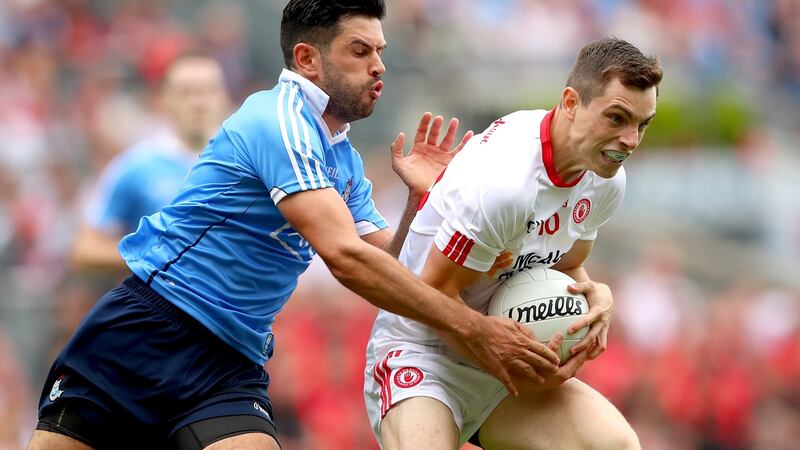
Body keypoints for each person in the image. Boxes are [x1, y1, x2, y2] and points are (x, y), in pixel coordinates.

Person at [27, 1, 562, 449]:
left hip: (230, 360)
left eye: (380, 52)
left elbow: (391, 264)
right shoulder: (276, 119)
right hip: (149, 329)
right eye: (360, 51)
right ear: (307, 58)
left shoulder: (342, 157)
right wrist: (472, 328)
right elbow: (346, 259)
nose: (379, 66)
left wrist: (420, 203)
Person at [364, 37, 663, 449]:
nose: (631, 140)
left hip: (500, 369)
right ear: (571, 102)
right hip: (424, 352)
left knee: (616, 445)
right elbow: (432, 293)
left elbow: (565, 266)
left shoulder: (604, 180)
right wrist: (502, 351)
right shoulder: (507, 181)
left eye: (642, 124)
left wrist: (596, 298)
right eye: (617, 118)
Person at [71, 51, 231, 274]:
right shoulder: (136, 166)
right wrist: (153, 256)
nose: (198, 102)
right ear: (164, 99)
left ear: (225, 97)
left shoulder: (250, 165)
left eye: (207, 90)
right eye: (186, 92)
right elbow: (86, 249)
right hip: (162, 296)